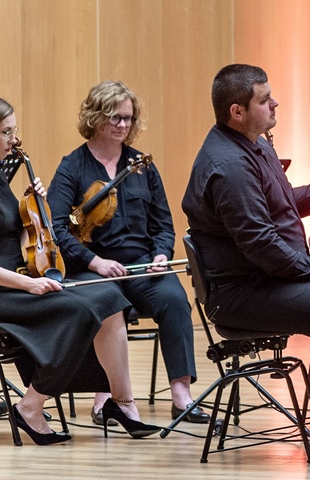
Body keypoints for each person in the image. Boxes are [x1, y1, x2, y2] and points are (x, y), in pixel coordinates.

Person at [182, 64, 310, 461]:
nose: (275, 103)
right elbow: (261, 243)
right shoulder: (229, 165)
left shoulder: (253, 144)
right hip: (246, 293)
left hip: (272, 280)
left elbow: (284, 201)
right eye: (264, 99)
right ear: (237, 111)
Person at [0, 93, 159, 444]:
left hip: (16, 280)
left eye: (15, 131)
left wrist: (31, 203)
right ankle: (31, 406)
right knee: (79, 311)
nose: (14, 140)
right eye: (7, 133)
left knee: (109, 298)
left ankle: (121, 402)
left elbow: (10, 229)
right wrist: (27, 286)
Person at [47, 80, 209, 426]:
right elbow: (56, 228)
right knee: (109, 305)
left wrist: (162, 255)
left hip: (140, 265)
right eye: (115, 118)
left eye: (128, 119)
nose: (123, 125)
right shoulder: (72, 167)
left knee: (174, 299)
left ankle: (182, 396)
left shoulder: (142, 166)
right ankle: (107, 396)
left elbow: (164, 225)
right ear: (95, 117)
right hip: (91, 267)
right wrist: (95, 261)